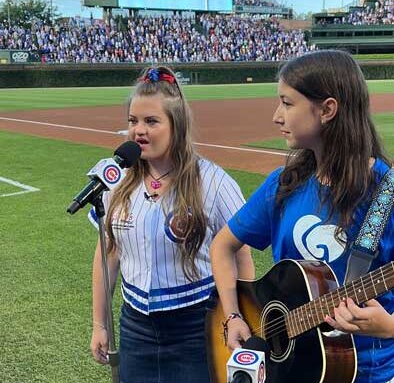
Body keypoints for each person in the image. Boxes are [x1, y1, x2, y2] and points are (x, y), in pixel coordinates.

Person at [210, 50, 394, 383]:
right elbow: (222, 245)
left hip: (370, 374)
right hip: (289, 370)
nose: (276, 117)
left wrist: (389, 327)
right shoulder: (283, 184)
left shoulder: (386, 194)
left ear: (327, 110)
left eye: (287, 103)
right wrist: (234, 316)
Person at [89, 65, 254, 383]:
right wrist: (100, 324)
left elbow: (241, 254)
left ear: (176, 126)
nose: (139, 130)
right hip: (135, 327)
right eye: (133, 121)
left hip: (196, 325)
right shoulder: (114, 179)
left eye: (152, 121)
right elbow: (107, 255)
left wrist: (240, 318)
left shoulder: (213, 181)